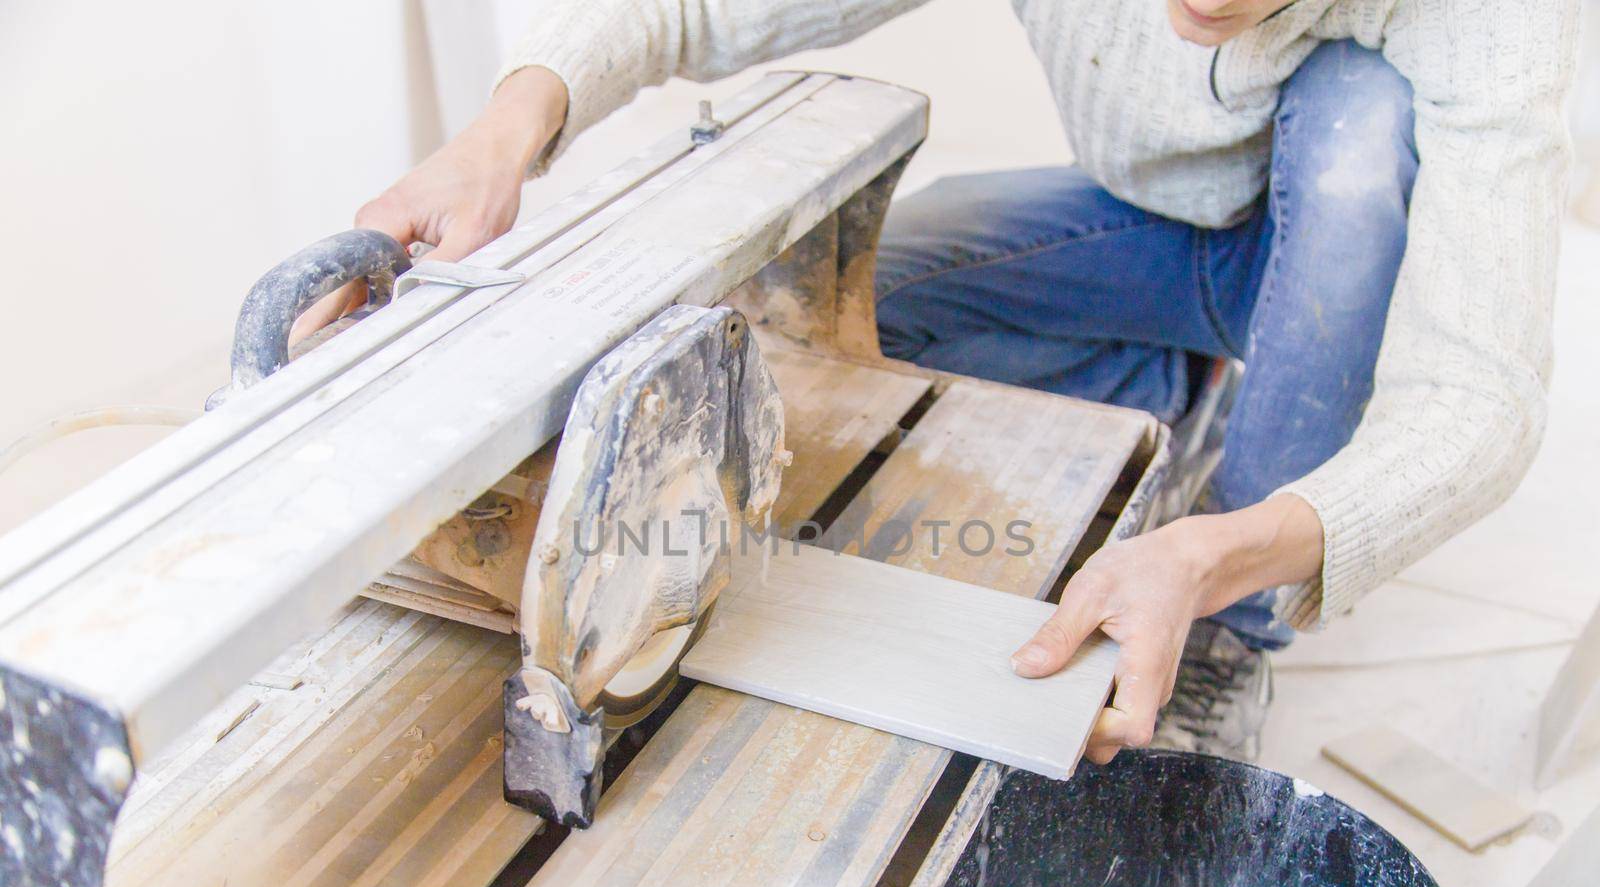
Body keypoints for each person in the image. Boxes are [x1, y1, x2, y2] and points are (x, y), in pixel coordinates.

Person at [330, 0, 1577, 764]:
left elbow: (1478, 394)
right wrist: (495, 142)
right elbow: (693, 6)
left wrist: (1224, 555)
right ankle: (1176, 378)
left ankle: (1227, 642)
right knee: (843, 316)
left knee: (1359, 135)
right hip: (1144, 229)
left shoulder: (1490, 17)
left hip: (1340, 255)